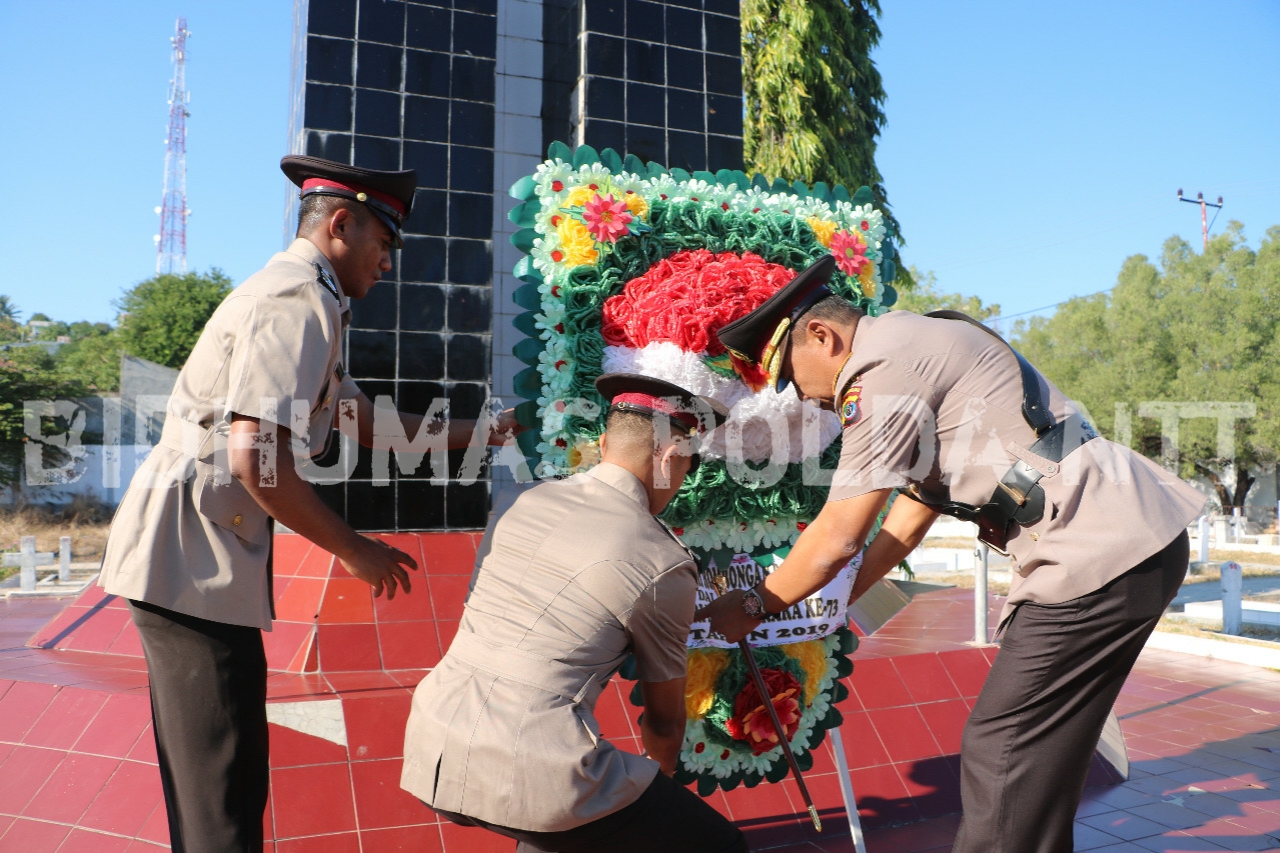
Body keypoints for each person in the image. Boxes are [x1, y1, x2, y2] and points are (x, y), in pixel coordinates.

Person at [698, 256, 1205, 853]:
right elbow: (906, 525)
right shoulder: (911, 345)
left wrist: (756, 604)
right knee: (1040, 760)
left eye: (789, 376)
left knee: (1003, 748)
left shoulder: (880, 373)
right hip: (1126, 541)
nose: (803, 398)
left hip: (1097, 554)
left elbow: (840, 534)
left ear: (820, 335)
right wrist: (829, 612)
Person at [99, 155, 515, 853]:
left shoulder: (311, 297)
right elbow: (255, 457)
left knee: (221, 784)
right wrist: (356, 549)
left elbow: (364, 418)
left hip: (197, 563)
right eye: (383, 245)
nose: (388, 264)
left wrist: (479, 432)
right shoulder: (297, 300)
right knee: (221, 801)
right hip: (190, 564)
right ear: (341, 224)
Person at [401, 374, 748, 853]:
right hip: (534, 763)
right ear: (670, 458)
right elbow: (664, 724)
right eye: (688, 465)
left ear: (604, 443)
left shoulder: (517, 500)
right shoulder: (661, 560)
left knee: (557, 823)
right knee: (721, 846)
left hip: (432, 740)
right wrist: (658, 788)